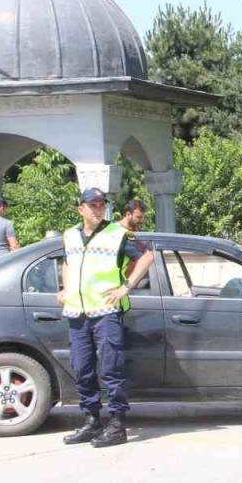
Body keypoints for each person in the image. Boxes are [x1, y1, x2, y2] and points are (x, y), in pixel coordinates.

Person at [58, 189, 154, 448]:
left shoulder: (117, 234)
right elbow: (66, 262)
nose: (98, 209)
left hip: (105, 311)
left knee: (111, 369)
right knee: (82, 369)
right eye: (93, 205)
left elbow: (147, 256)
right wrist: (65, 287)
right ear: (81, 209)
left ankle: (117, 425)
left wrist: (126, 287)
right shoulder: (70, 235)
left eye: (101, 205)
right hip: (77, 312)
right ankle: (91, 421)